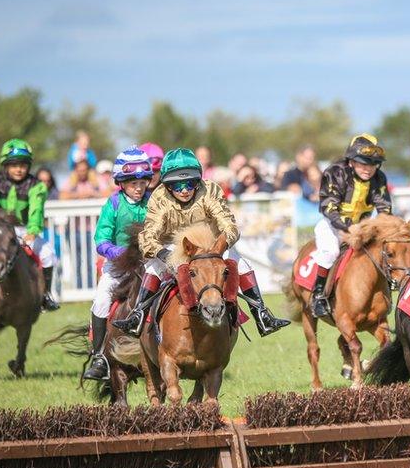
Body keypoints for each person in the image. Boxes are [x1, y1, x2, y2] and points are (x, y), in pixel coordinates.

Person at [112, 148, 289, 337]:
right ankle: (138, 315)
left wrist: (221, 245)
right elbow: (148, 236)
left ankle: (262, 315)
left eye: (190, 183)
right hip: (174, 246)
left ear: (198, 180)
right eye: (177, 186)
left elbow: (229, 225)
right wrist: (163, 253)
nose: (185, 190)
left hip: (211, 246)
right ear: (167, 186)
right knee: (152, 268)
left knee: (243, 264)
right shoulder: (159, 197)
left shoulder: (210, 190)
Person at [83, 147, 154, 381]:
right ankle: (100, 357)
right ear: (121, 183)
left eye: (143, 181)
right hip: (118, 266)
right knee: (101, 301)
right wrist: (120, 252)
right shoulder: (113, 204)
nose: (139, 187)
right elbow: (101, 240)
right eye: (132, 182)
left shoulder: (154, 201)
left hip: (149, 262)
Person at [0, 139, 59, 314]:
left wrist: (32, 231)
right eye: (14, 165)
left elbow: (36, 210)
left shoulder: (36, 186)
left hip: (24, 230)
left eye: (23, 165)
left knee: (49, 255)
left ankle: (46, 296)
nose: (19, 169)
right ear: (6, 166)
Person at [309, 134, 392, 318]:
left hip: (362, 228)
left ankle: (387, 291)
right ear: (351, 161)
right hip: (333, 226)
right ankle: (319, 296)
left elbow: (384, 208)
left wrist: (385, 226)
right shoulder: (334, 172)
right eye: (363, 162)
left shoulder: (379, 178)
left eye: (373, 164)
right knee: (330, 252)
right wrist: (348, 228)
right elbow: (328, 208)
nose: (368, 169)